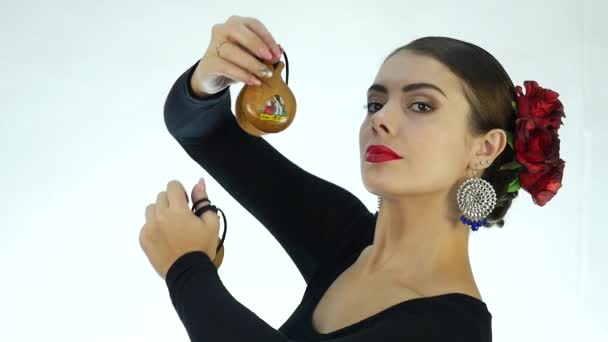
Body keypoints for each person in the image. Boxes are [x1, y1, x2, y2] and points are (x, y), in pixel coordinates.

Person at [144, 15, 566, 342]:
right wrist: (211, 78)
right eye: (374, 103)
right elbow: (202, 130)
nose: (381, 119)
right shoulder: (344, 236)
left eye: (420, 106)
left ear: (486, 148)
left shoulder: (452, 330)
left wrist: (187, 269)